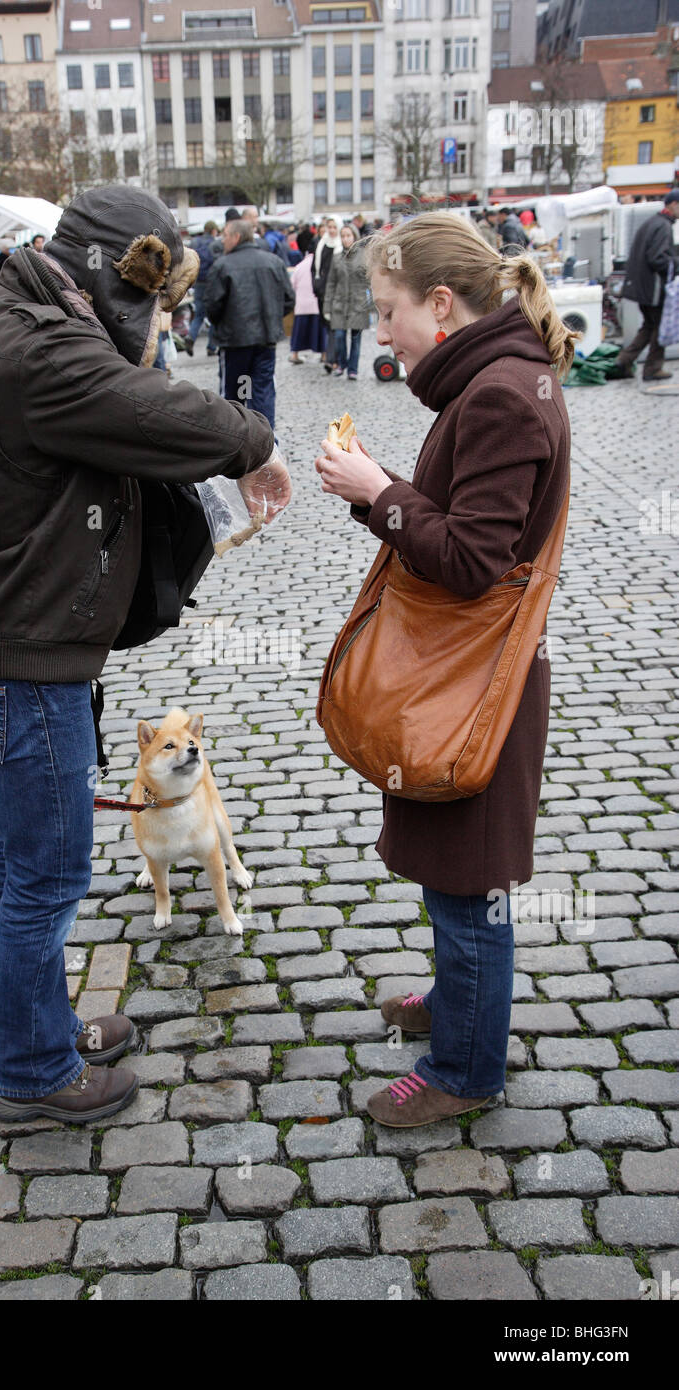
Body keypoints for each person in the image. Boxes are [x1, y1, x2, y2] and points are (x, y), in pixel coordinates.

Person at [0, 185, 291, 1124]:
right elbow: (155, 410)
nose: (156, 327)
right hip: (18, 659)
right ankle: (35, 1075)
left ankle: (35, 1029)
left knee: (21, 859)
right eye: (154, 307)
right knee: (47, 874)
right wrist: (254, 441)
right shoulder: (41, 345)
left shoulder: (10, 309)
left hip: (3, 640)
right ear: (117, 280)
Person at [314, 213, 575, 1127]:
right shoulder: (490, 382)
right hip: (467, 673)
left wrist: (377, 493)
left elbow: (469, 558)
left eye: (388, 313)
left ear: (438, 301)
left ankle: (466, 1069)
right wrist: (380, 487)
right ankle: (457, 996)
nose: (381, 333)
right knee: (455, 873)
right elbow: (465, 525)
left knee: (471, 886)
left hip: (477, 684)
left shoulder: (501, 395)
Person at [204, 218, 294, 430]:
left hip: (236, 342)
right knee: (260, 392)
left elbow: (213, 306)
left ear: (236, 237)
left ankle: (239, 441)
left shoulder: (223, 265)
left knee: (236, 396)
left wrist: (223, 324)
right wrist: (271, 317)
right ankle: (265, 443)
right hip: (263, 339)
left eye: (225, 236)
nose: (222, 241)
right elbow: (288, 299)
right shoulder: (273, 262)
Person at [606, 189, 679, 382]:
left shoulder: (652, 222)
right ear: (673, 204)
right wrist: (675, 263)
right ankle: (653, 368)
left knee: (648, 326)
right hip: (653, 288)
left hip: (641, 287)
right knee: (657, 329)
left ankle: (624, 360)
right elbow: (657, 258)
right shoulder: (662, 226)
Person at [323, 223, 370, 380]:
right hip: (340, 303)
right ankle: (342, 364)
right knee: (339, 337)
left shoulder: (364, 257)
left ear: (354, 236)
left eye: (348, 235)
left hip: (358, 303)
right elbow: (331, 283)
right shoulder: (337, 258)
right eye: (343, 236)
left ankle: (352, 369)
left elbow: (370, 280)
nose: (345, 239)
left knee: (356, 339)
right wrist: (327, 306)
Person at [312, 216, 343, 372]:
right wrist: (316, 286)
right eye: (329, 226)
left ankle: (333, 359)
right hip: (323, 292)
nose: (331, 230)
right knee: (328, 326)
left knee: (335, 327)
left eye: (333, 227)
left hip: (337, 293)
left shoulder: (341, 246)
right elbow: (315, 268)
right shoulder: (322, 244)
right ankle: (331, 357)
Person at [188, 220, 222, 355]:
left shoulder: (194, 243)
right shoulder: (216, 244)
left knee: (199, 315)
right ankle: (211, 347)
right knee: (214, 315)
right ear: (214, 231)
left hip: (198, 283)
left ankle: (190, 336)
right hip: (212, 284)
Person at [289, 251, 326, 364]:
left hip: (301, 305)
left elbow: (292, 285)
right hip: (317, 304)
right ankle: (324, 355)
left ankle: (294, 354)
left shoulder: (299, 267)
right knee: (321, 332)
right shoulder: (321, 265)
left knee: (299, 332)